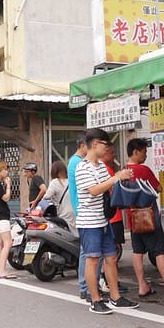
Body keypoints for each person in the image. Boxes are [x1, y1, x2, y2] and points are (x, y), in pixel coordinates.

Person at [75, 128, 138, 315]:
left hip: (103, 220)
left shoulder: (101, 166)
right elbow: (94, 190)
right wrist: (115, 178)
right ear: (95, 144)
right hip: (89, 222)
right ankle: (95, 300)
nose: (108, 148)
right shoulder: (82, 167)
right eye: (106, 144)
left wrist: (121, 179)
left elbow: (108, 186)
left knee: (110, 258)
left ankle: (115, 297)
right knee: (92, 259)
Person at [124, 138, 164, 299]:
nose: (146, 155)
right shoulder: (143, 170)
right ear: (136, 151)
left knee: (137, 252)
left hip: (133, 219)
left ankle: (142, 286)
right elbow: (158, 188)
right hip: (149, 218)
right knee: (160, 251)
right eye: (144, 152)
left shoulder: (123, 171)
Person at [69, 135, 102, 301]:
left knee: (90, 254)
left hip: (84, 212)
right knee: (89, 255)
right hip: (86, 213)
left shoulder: (75, 162)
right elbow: (93, 189)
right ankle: (86, 288)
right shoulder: (78, 163)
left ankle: (88, 287)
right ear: (84, 145)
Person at [44, 160, 75, 235]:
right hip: (74, 212)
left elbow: (46, 197)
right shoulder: (71, 181)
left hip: (64, 214)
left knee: (64, 233)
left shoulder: (55, 182)